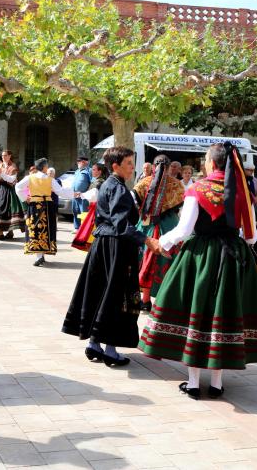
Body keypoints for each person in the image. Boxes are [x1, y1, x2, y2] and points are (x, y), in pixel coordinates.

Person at [138, 142, 257, 399]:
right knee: (223, 315)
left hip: (200, 257)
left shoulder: (197, 189)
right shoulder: (242, 192)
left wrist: (159, 243)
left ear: (212, 162)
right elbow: (252, 235)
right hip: (233, 258)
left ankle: (192, 383)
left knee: (197, 313)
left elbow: (184, 230)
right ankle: (217, 384)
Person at [63, 147, 154, 366]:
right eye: (129, 163)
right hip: (116, 247)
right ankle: (110, 350)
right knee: (115, 295)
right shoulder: (119, 189)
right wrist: (147, 240)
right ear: (116, 166)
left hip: (102, 245)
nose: (133, 167)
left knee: (100, 291)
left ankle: (94, 344)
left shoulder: (107, 185)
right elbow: (122, 224)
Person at [133, 155, 185, 311]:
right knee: (168, 263)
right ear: (169, 167)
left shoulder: (142, 183)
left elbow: (137, 205)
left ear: (153, 166)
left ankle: (145, 300)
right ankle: (163, 301)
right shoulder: (177, 185)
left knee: (144, 260)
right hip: (169, 226)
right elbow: (178, 208)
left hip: (146, 226)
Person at [16, 157, 80, 266]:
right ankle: (41, 255)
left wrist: (25, 197)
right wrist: (73, 194)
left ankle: (39, 256)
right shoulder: (50, 179)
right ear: (45, 167)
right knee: (47, 229)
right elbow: (60, 191)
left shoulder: (29, 177)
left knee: (35, 228)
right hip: (47, 206)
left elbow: (18, 187)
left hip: (34, 205)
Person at [0, 150, 26, 239]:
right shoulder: (0, 165)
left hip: (8, 190)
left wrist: (2, 175)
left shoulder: (13, 166)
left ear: (10, 156)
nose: (3, 157)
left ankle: (4, 233)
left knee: (8, 211)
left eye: (5, 155)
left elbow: (12, 179)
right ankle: (6, 232)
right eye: (3, 155)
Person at [72, 163, 108, 252]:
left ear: (100, 171)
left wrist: (81, 194)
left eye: (95, 169)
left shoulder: (99, 182)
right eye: (92, 169)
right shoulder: (97, 181)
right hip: (94, 207)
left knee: (93, 228)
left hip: (97, 209)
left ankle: (96, 248)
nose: (92, 171)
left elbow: (94, 195)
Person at [71, 156, 92, 231]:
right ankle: (77, 228)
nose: (78, 163)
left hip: (83, 196)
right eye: (78, 162)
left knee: (83, 213)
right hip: (74, 195)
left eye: (79, 161)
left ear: (85, 162)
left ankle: (84, 229)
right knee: (75, 211)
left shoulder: (89, 171)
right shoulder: (77, 171)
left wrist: (86, 192)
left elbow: (92, 183)